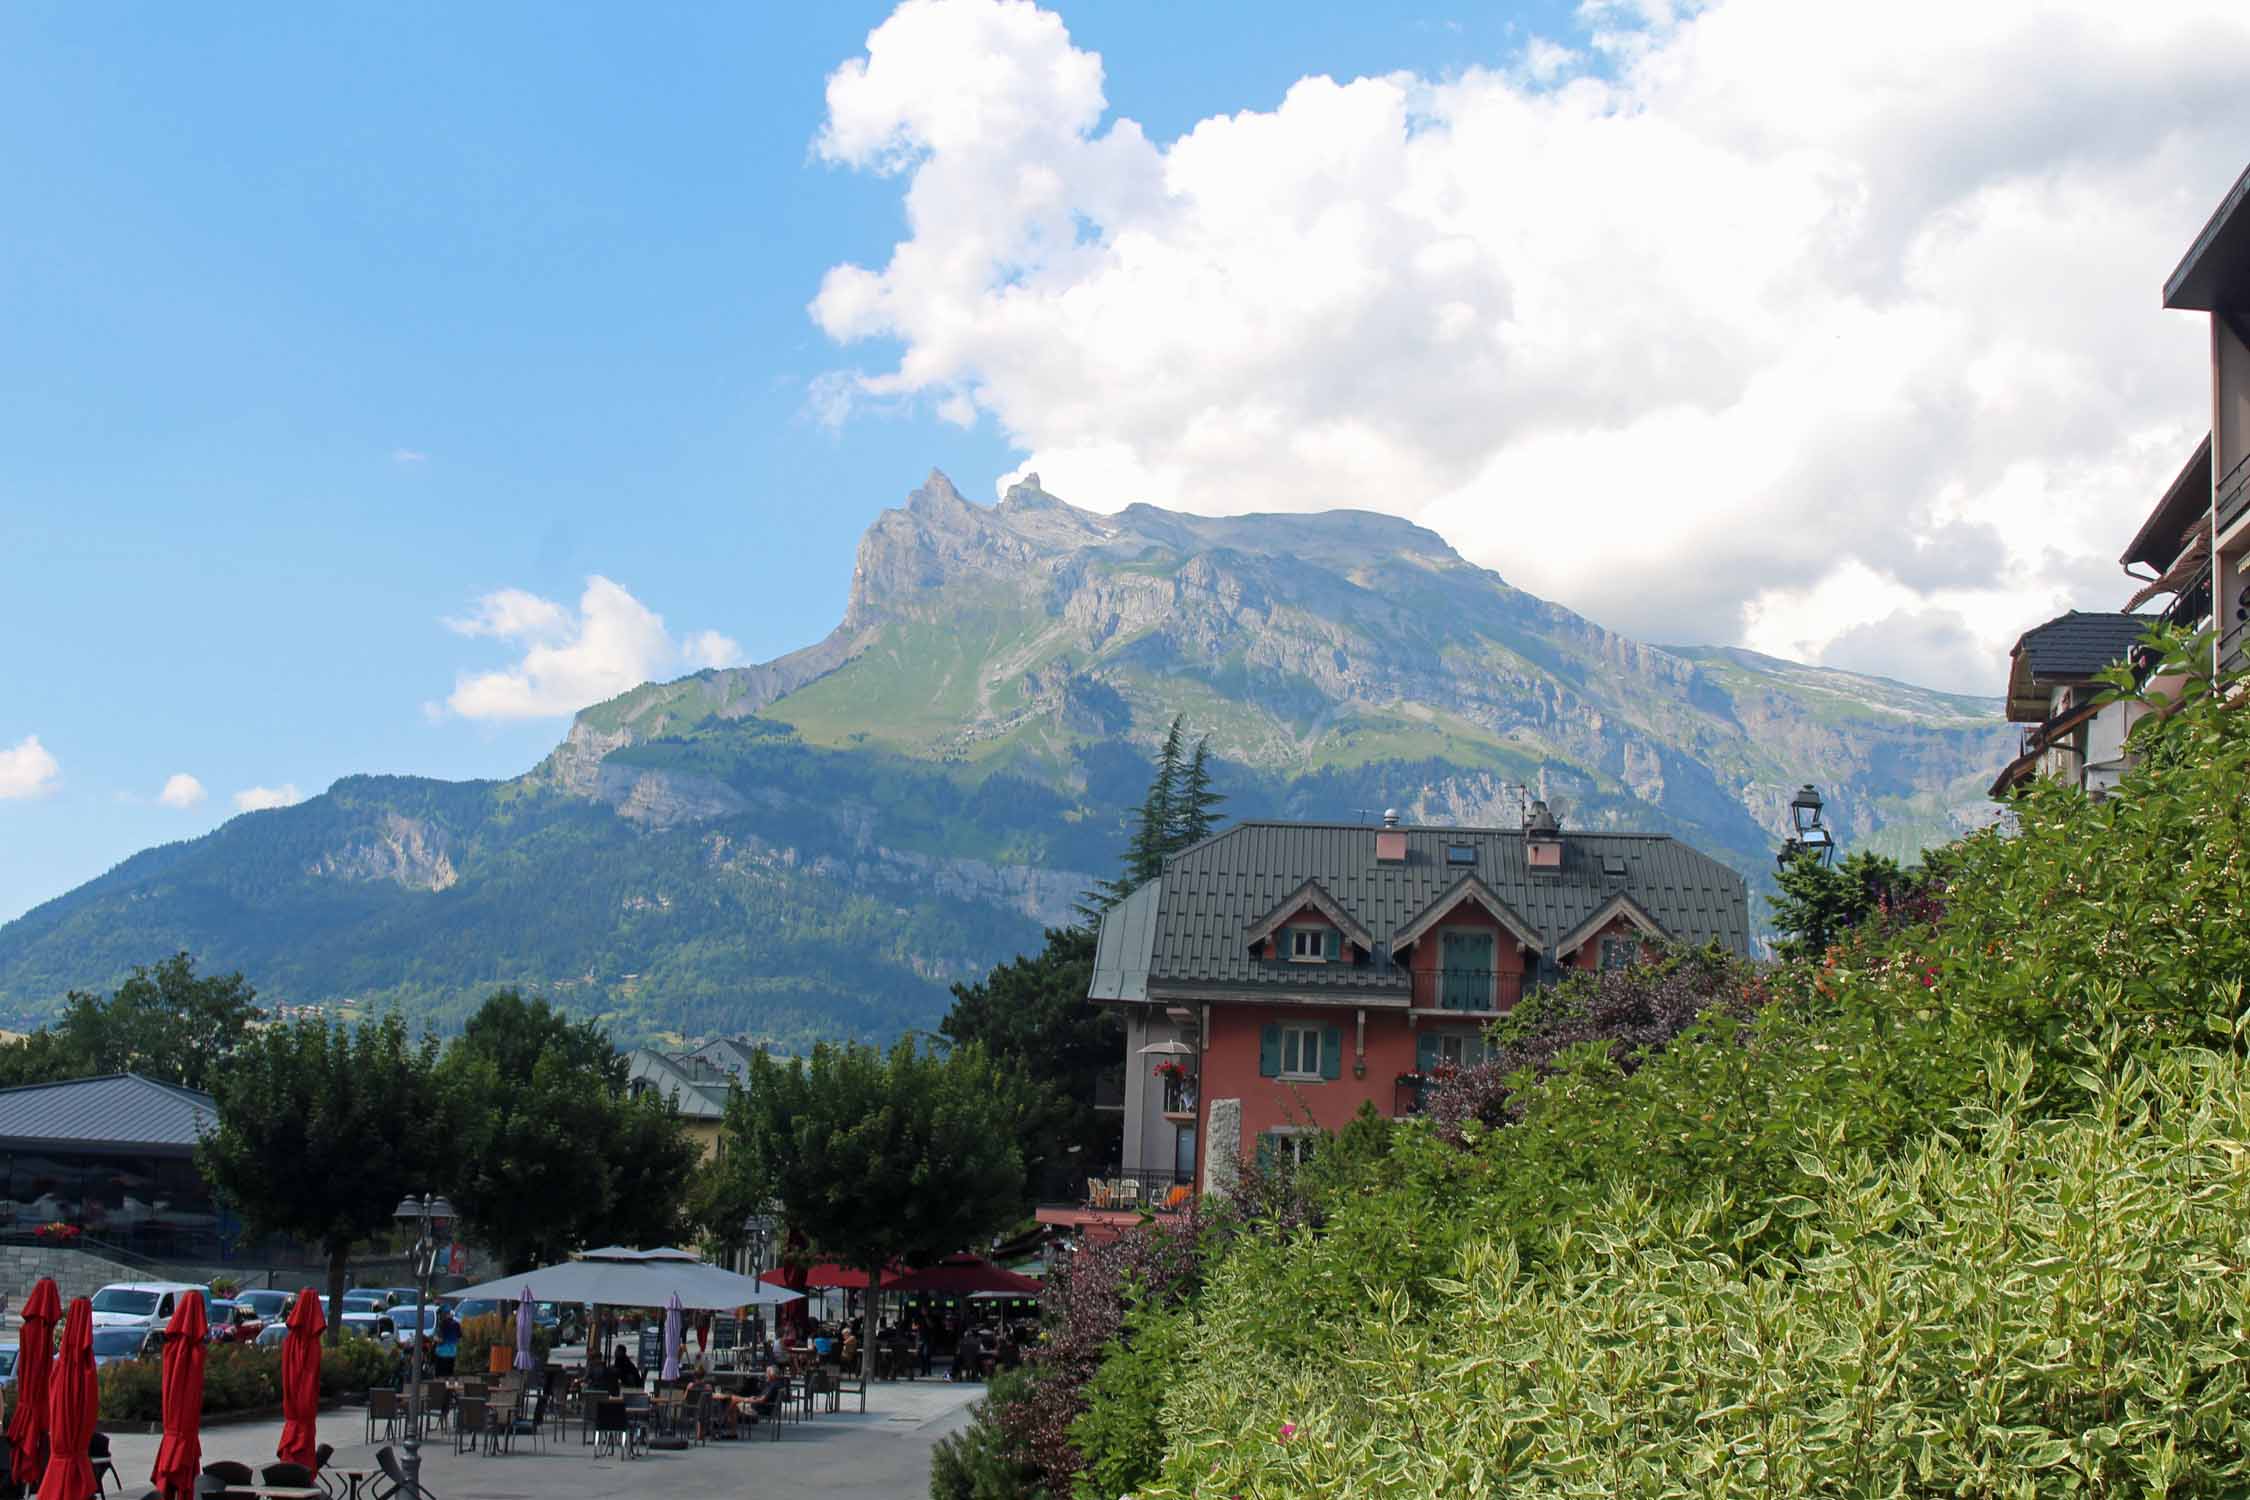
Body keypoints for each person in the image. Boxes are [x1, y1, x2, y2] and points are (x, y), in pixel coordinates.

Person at [431, 1308, 462, 1378]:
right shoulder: (457, 1324)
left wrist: (435, 1339)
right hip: (453, 1351)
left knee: (442, 1374)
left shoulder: (442, 1324)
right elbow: (459, 1337)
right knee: (450, 1373)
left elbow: (440, 1339)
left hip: (442, 1353)